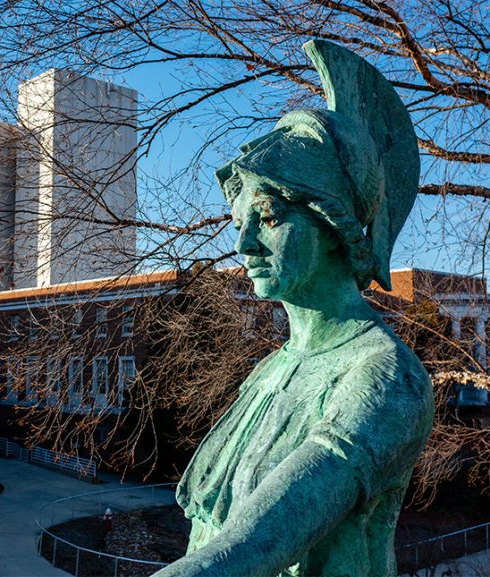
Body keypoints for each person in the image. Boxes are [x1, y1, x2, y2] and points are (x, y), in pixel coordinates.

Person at [153, 40, 433, 577]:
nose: (244, 245)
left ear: (335, 226)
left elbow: (258, 544)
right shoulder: (272, 369)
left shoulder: (384, 377)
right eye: (240, 224)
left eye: (269, 217)